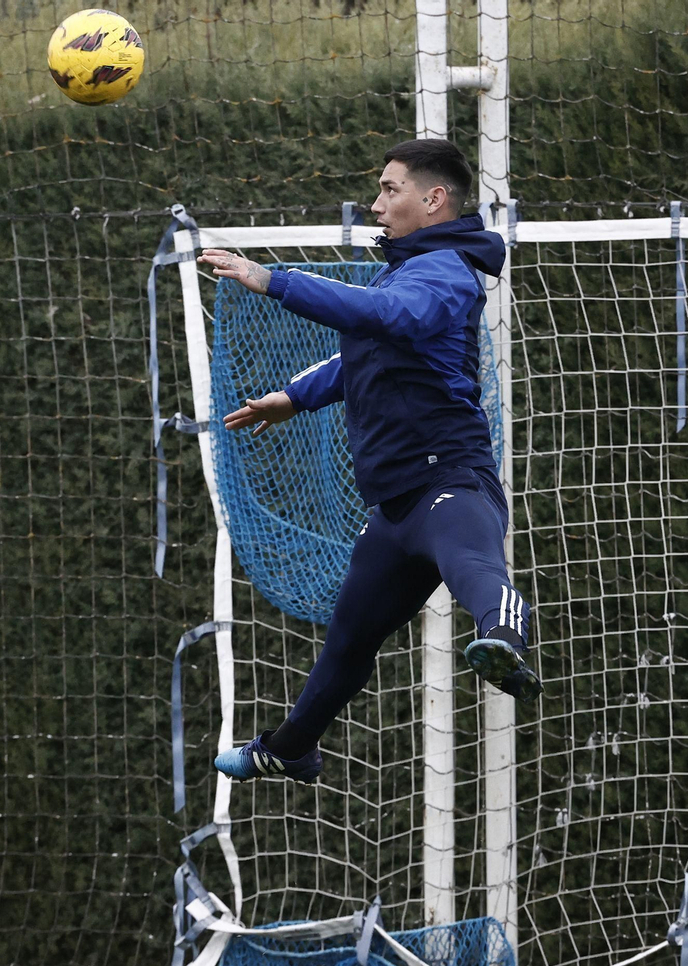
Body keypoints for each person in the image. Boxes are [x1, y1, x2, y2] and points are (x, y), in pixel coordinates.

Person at [198, 138, 540, 785]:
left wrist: (271, 280)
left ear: (433, 198)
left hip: (450, 481)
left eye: (390, 190)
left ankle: (506, 638)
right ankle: (290, 747)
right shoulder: (405, 270)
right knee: (348, 643)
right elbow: (365, 350)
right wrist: (292, 398)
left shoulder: (442, 274)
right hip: (394, 508)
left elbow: (383, 316)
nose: (377, 204)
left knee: (474, 566)